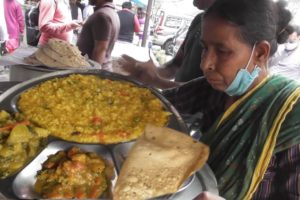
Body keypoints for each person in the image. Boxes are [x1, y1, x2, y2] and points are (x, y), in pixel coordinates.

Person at [160, 0, 300, 199]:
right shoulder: (208, 91)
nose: (205, 64)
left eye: (222, 51)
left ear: (260, 52)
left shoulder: (291, 115)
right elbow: (156, 105)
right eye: (204, 48)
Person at [117, 0, 215, 89]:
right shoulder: (198, 20)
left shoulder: (226, 30)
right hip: (177, 101)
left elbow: (205, 92)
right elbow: (175, 65)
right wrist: (149, 71)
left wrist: (157, 81)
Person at [76, 0, 120, 68]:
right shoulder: (110, 12)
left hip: (92, 71)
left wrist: (92, 74)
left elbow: (100, 49)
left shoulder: (101, 15)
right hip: (98, 68)